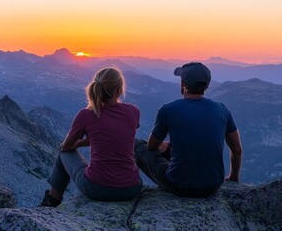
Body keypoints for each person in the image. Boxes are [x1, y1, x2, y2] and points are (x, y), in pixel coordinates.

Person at [135, 62, 243, 198]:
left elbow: (152, 146)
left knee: (137, 146)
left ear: (182, 83)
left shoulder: (167, 110)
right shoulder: (222, 110)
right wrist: (233, 177)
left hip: (179, 186)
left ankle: (127, 185)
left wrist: (166, 146)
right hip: (213, 185)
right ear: (207, 86)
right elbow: (237, 149)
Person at [40, 67, 142, 207]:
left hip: (97, 188)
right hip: (132, 188)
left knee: (63, 153)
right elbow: (116, 135)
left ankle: (51, 202)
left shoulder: (86, 115)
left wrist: (78, 143)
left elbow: (66, 146)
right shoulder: (133, 111)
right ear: (119, 90)